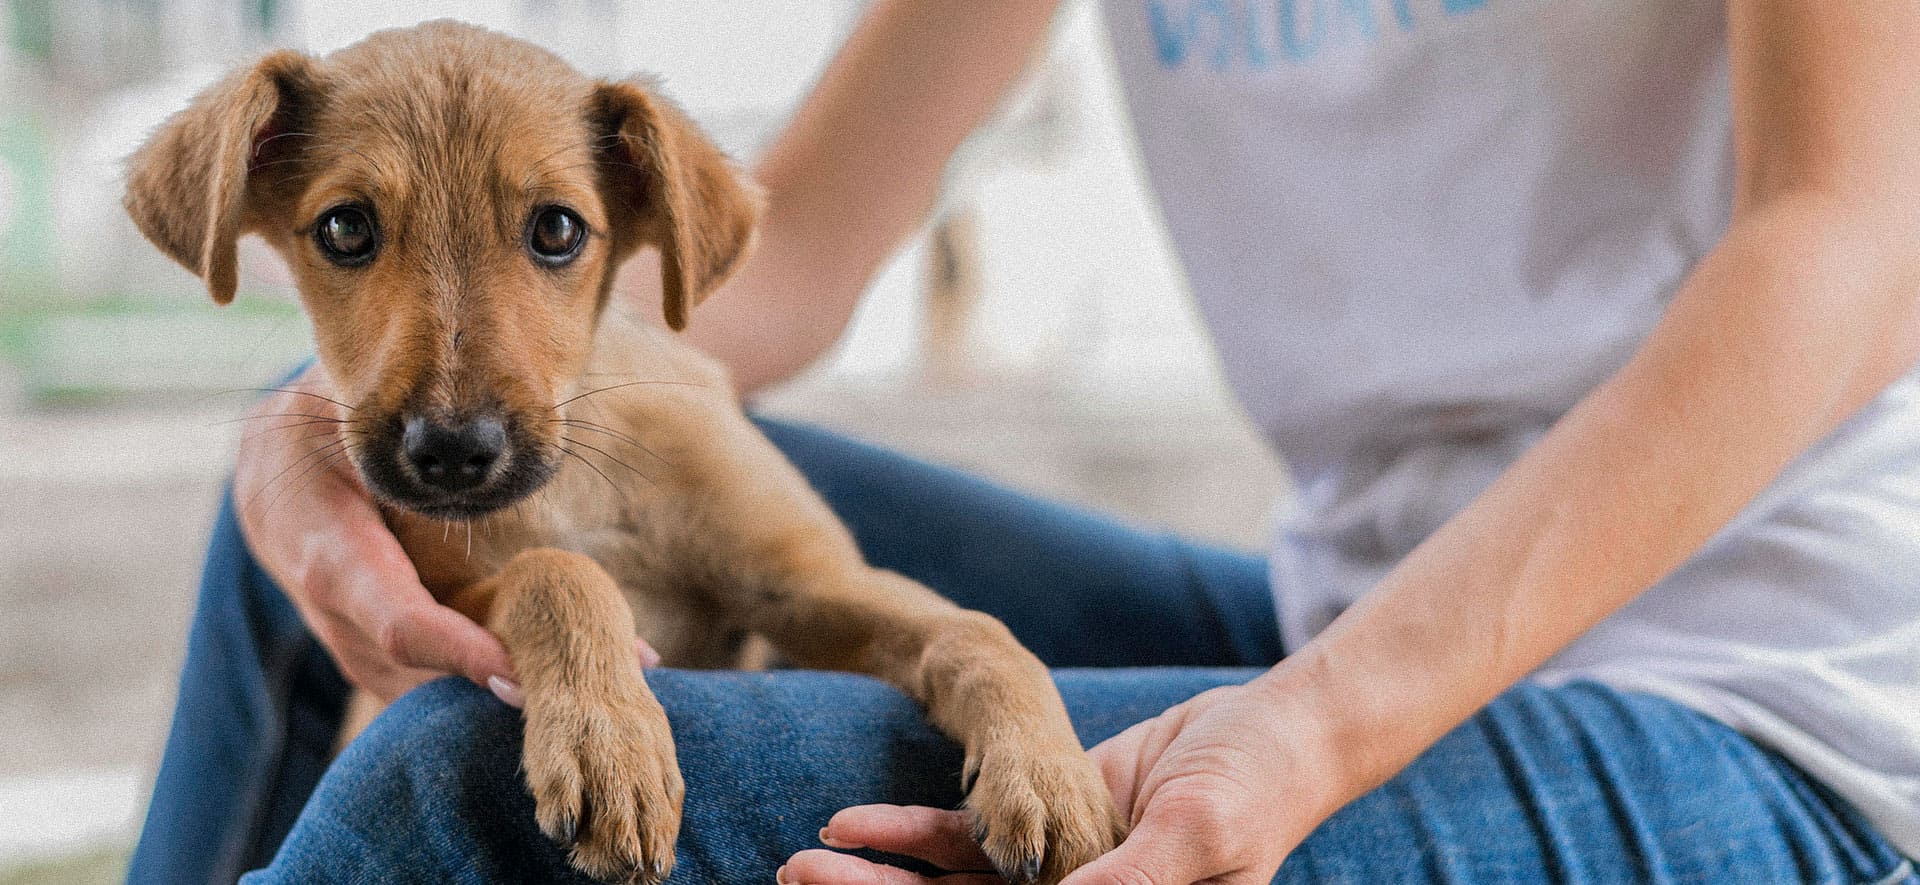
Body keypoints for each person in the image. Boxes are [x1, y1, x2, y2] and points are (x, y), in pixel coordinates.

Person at [129, 2, 1920, 883]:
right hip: (1342, 598)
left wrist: (1315, 730)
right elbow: (791, 245)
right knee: (297, 513)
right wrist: (353, 420)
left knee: (458, 793)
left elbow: (1841, 250)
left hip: (1764, 685)